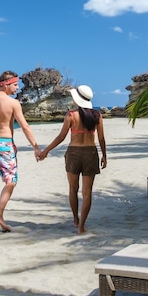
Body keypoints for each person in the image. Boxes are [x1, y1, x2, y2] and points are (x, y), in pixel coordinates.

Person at [0, 70, 41, 232]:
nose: (17, 88)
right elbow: (25, 126)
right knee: (11, 181)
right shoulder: (13, 103)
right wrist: (35, 146)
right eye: (15, 84)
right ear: (5, 85)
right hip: (4, 145)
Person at [39, 85, 107, 234]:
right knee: (87, 192)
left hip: (74, 153)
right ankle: (82, 226)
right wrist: (104, 155)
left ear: (77, 99)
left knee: (73, 189)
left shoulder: (71, 115)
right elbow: (101, 138)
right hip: (90, 153)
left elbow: (61, 137)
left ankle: (75, 219)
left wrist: (45, 151)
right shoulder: (97, 115)